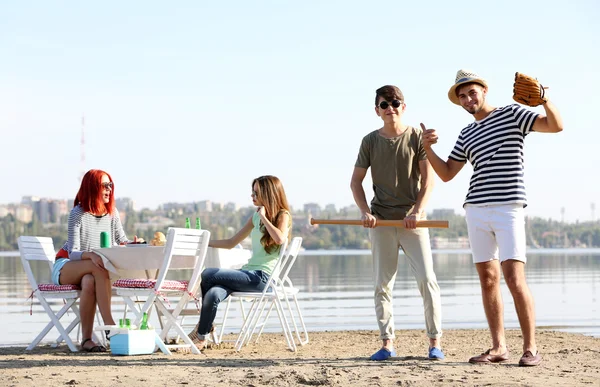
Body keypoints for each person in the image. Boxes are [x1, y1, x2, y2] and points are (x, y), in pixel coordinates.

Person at [422, 69, 563, 366]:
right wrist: (427, 149)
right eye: (462, 95)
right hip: (475, 208)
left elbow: (555, 126)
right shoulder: (467, 133)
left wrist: (545, 99)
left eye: (471, 92)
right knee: (488, 280)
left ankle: (531, 349)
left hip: (508, 207)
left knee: (513, 277)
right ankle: (498, 347)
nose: (467, 98)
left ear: (484, 91)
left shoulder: (512, 114)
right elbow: (447, 173)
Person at [350, 85, 444, 361]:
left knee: (427, 280)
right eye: (384, 104)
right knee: (382, 284)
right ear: (377, 110)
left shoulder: (416, 137)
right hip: (381, 222)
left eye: (395, 102)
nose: (390, 108)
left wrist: (417, 211)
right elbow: (356, 182)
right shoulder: (369, 141)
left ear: (403, 106)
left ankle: (434, 343)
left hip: (413, 222)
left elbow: (428, 181)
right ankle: (387, 343)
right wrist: (366, 212)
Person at [186, 175, 292, 351]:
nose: (252, 196)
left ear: (268, 193)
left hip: (263, 279)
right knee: (212, 293)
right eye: (252, 192)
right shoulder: (255, 217)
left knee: (207, 274)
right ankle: (203, 336)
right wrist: (204, 242)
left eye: (256, 192)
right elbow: (231, 242)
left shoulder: (283, 215)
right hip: (248, 274)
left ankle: (201, 330)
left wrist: (265, 218)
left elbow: (280, 238)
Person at [53, 169, 140, 352]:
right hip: (66, 266)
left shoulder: (112, 213)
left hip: (92, 270)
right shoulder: (78, 213)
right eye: (104, 185)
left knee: (90, 280)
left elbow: (121, 240)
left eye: (110, 185)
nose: (109, 189)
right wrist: (91, 254)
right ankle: (110, 325)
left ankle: (86, 340)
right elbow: (73, 252)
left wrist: (133, 243)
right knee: (98, 267)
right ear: (92, 188)